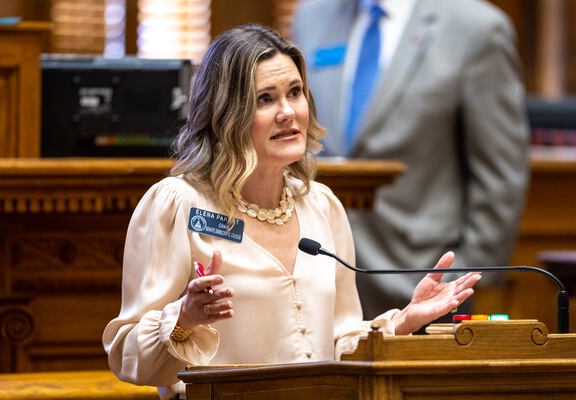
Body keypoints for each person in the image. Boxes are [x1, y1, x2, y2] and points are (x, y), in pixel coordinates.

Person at [102, 24, 481, 400]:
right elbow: (127, 357)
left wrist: (402, 321)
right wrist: (185, 319)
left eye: (295, 92)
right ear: (226, 113)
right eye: (265, 99)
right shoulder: (177, 204)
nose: (287, 112)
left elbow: (341, 342)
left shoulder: (322, 205)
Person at [293, 0, 529, 317]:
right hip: (318, 275)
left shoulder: (477, 28)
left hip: (422, 277)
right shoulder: (312, 15)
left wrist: (464, 276)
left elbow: (500, 173)